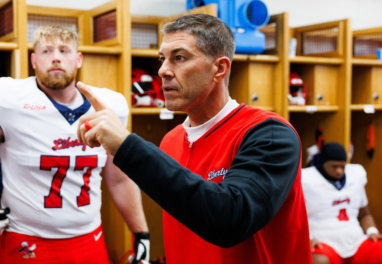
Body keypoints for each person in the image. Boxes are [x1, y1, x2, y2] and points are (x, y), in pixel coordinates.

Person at [76, 14, 312, 263]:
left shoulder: (269, 134)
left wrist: (127, 147)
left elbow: (231, 218)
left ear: (219, 69)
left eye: (179, 58)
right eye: (162, 59)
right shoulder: (171, 140)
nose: (163, 70)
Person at [0, 25, 149, 264]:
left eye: (64, 50)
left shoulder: (108, 105)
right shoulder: (9, 100)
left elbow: (119, 178)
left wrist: (141, 233)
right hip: (26, 240)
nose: (56, 57)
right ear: (33, 60)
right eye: (46, 51)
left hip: (90, 238)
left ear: (78, 59)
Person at [302, 142, 382, 264]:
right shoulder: (306, 179)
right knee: (318, 261)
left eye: (343, 166)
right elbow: (296, 219)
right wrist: (308, 239)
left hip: (357, 242)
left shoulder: (356, 175)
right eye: (334, 166)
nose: (339, 171)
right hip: (324, 243)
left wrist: (372, 231)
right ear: (322, 163)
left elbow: (364, 213)